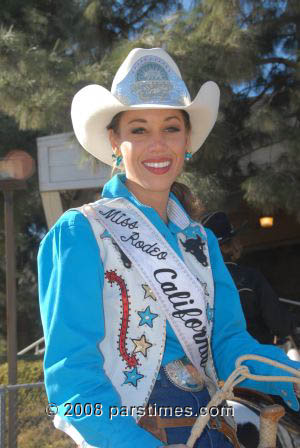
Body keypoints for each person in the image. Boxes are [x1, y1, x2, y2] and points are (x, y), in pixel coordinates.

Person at [38, 48, 300, 448]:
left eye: (171, 128)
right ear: (114, 140)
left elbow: (231, 348)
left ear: (188, 139)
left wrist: (293, 378)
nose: (157, 145)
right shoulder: (81, 231)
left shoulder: (202, 242)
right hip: (132, 434)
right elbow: (72, 376)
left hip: (215, 426)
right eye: (139, 129)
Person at [201, 211, 297, 345]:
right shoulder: (251, 278)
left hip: (219, 361)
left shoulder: (199, 283)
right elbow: (280, 324)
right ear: (227, 247)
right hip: (255, 357)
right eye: (235, 239)